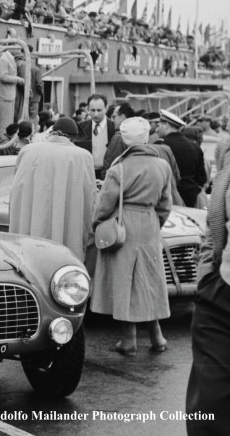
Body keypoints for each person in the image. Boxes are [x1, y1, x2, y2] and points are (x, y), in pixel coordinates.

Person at [90, 117, 173, 356]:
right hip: (149, 224)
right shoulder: (162, 166)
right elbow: (166, 205)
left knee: (125, 281)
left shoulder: (119, 168)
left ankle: (129, 339)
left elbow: (104, 205)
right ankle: (158, 336)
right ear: (146, 137)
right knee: (149, 281)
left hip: (123, 225)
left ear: (125, 140)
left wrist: (98, 224)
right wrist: (155, 222)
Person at [186, 138, 230, 435]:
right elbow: (217, 218)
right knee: (210, 400)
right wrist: (208, 269)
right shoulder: (226, 150)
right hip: (221, 287)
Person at [9, 117, 95, 261]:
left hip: (30, 228)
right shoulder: (83, 156)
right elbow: (89, 198)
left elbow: (16, 191)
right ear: (72, 138)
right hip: (67, 232)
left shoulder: (28, 151)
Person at [155, 109, 207, 208]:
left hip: (167, 201)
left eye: (158, 125)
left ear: (166, 125)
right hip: (191, 199)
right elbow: (202, 179)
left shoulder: (159, 145)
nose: (156, 129)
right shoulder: (194, 146)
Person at [77, 94, 115, 179]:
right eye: (93, 110)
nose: (96, 114)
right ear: (88, 110)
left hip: (109, 173)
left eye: (99, 110)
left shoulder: (114, 127)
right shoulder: (81, 127)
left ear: (105, 109)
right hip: (87, 173)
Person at [0, 50, 23, 138]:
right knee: (4, 124)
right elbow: (2, 76)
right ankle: (2, 144)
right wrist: (18, 79)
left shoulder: (9, 58)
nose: (20, 51)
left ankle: (4, 143)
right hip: (4, 96)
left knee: (7, 123)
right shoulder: (4, 59)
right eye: (18, 48)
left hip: (8, 96)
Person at [100, 102, 136, 179]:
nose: (112, 120)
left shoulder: (118, 138)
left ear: (122, 117)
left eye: (114, 117)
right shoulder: (135, 135)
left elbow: (111, 165)